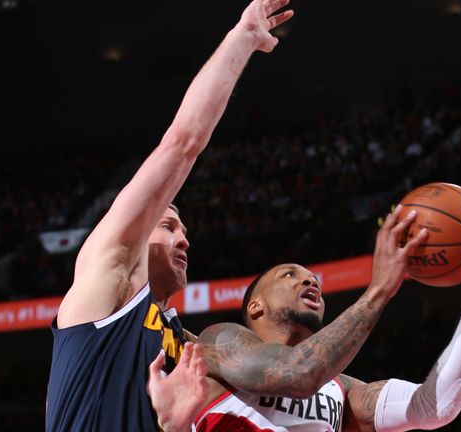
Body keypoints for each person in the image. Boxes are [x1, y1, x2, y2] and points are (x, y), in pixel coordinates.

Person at [45, 0, 295, 430]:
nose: (185, 239)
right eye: (168, 225)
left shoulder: (181, 345)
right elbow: (182, 142)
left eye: (183, 229)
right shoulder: (108, 276)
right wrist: (243, 37)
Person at [194, 203, 461, 432]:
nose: (310, 281)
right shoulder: (220, 342)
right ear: (255, 307)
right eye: (289, 275)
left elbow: (434, 406)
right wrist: (380, 289)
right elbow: (298, 374)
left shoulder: (340, 390)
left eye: (315, 278)